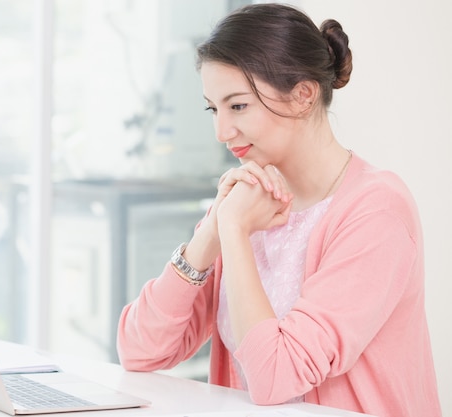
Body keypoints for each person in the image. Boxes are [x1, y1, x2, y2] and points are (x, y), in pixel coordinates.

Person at [116, 3, 442, 417]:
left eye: (237, 106)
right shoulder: (246, 202)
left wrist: (233, 231)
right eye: (213, 109)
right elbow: (139, 351)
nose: (221, 132)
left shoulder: (376, 210)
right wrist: (210, 233)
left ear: (303, 95)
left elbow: (277, 376)